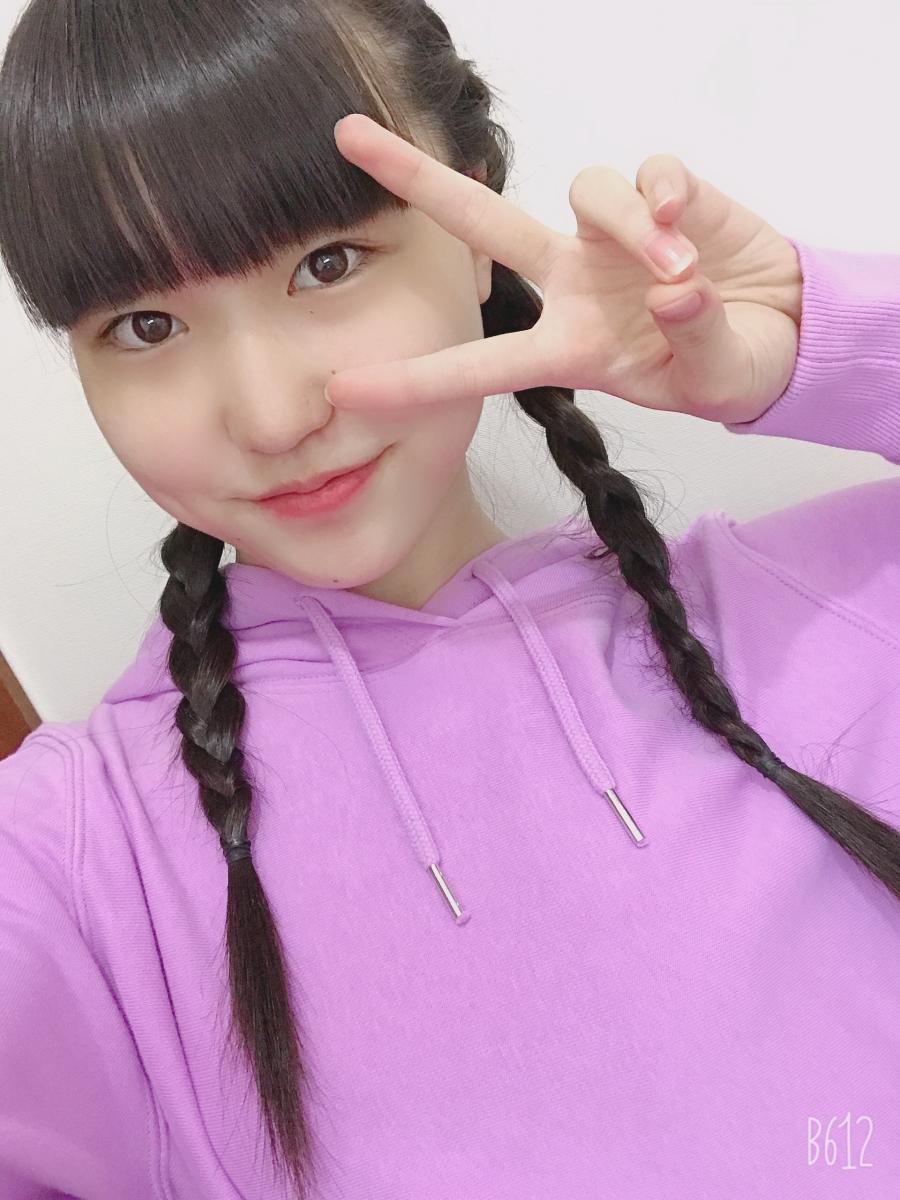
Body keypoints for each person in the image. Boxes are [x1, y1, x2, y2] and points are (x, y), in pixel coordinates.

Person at [0, 0, 898, 1197]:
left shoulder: (816, 618)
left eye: (328, 263)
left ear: (474, 227)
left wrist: (817, 345)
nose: (272, 415)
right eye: (145, 325)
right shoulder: (72, 865)